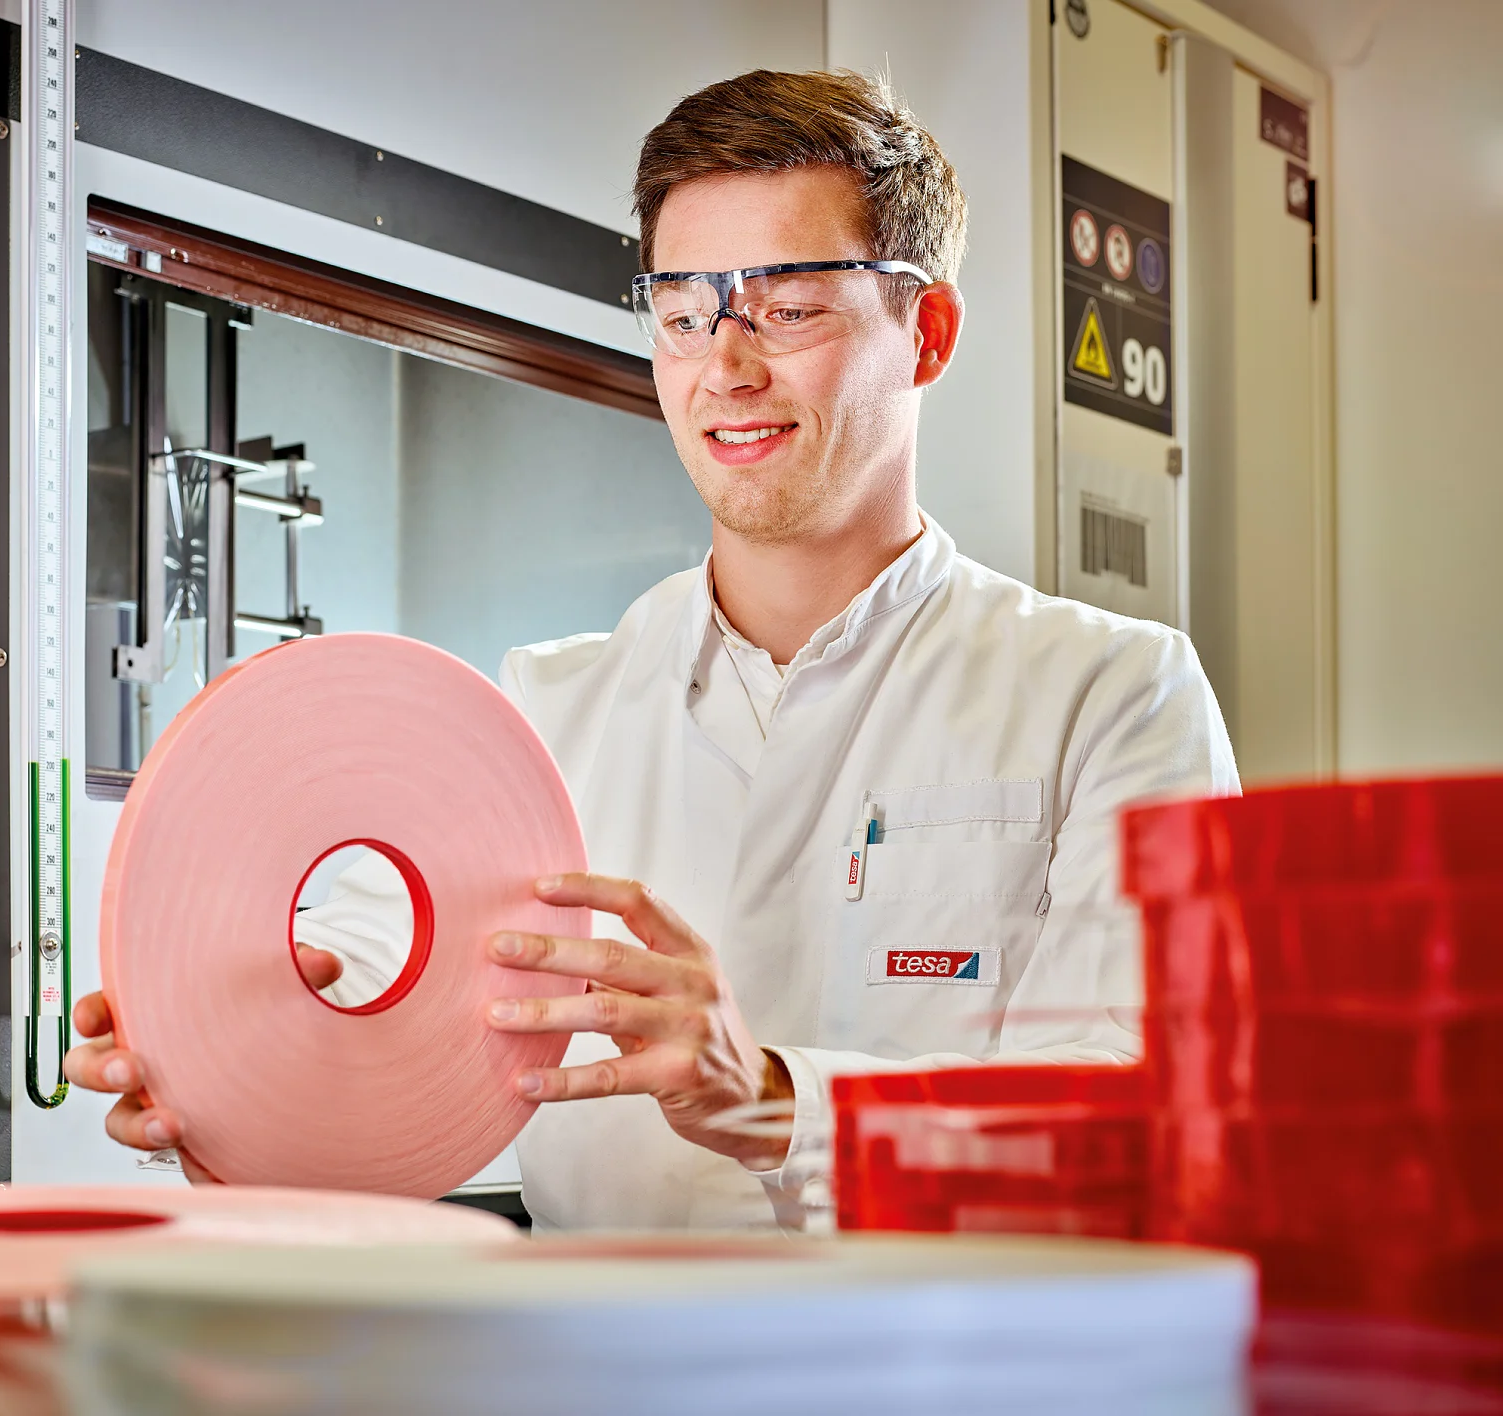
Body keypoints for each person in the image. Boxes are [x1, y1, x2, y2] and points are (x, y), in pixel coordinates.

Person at [64, 68, 1236, 1231]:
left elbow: (1159, 1130)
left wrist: (776, 1104)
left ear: (925, 332)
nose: (724, 365)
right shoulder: (548, 709)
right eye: (683, 312)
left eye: (786, 309)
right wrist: (222, 1066)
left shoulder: (1112, 696)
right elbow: (368, 984)